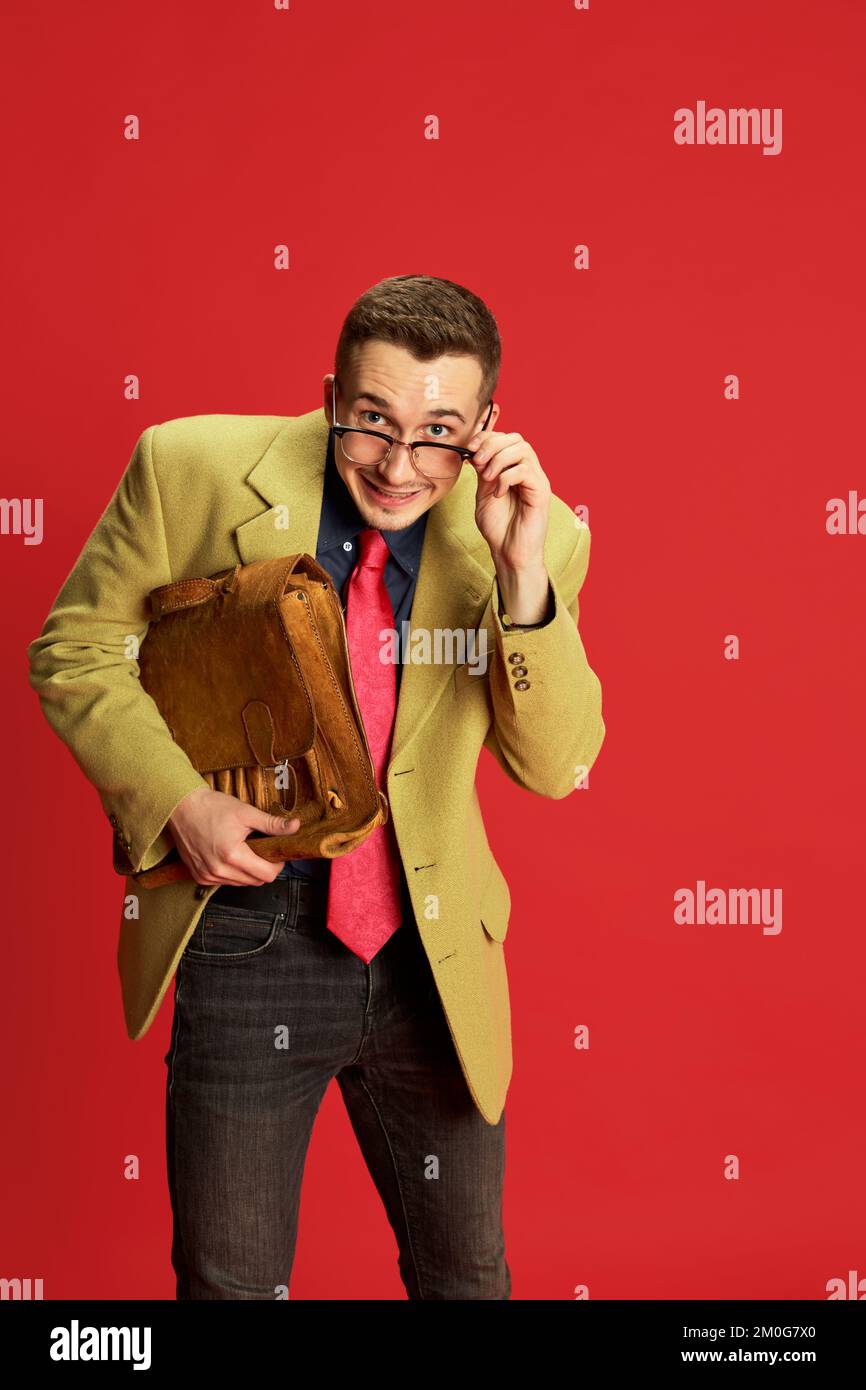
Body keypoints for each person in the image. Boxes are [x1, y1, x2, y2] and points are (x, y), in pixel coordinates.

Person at [27, 273, 605, 1299]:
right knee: (229, 1281)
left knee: (467, 1278)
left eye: (437, 432)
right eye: (370, 420)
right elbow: (76, 647)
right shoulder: (188, 467)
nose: (396, 463)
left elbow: (555, 766)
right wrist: (175, 799)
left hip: (432, 953)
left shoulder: (538, 538)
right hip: (252, 927)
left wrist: (522, 586)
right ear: (331, 392)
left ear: (484, 428)